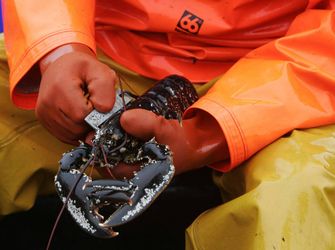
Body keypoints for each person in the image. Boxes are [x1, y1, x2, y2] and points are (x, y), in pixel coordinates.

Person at [2, 0, 335, 249]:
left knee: (303, 191)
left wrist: (209, 134)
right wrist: (57, 50)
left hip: (288, 72)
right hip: (100, 47)